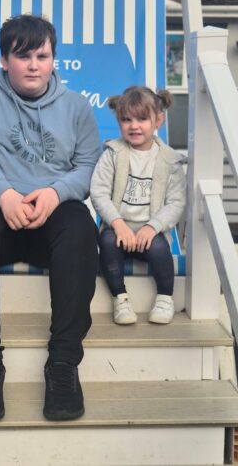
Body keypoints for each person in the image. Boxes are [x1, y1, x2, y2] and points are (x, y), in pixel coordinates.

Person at [0, 14, 101, 422]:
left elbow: (88, 164)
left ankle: (63, 364)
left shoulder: (76, 106)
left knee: (80, 227)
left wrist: (55, 193)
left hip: (52, 210)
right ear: (3, 60)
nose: (34, 64)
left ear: (54, 60)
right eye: (23, 56)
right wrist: (5, 194)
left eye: (43, 55)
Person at [90, 86, 186, 326]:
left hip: (149, 232)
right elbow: (98, 192)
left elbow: (176, 202)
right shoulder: (113, 154)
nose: (134, 126)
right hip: (119, 229)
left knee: (160, 249)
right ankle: (120, 298)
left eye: (142, 119)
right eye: (126, 119)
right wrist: (117, 223)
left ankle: (165, 297)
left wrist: (153, 227)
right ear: (118, 121)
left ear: (158, 121)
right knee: (107, 242)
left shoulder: (169, 159)